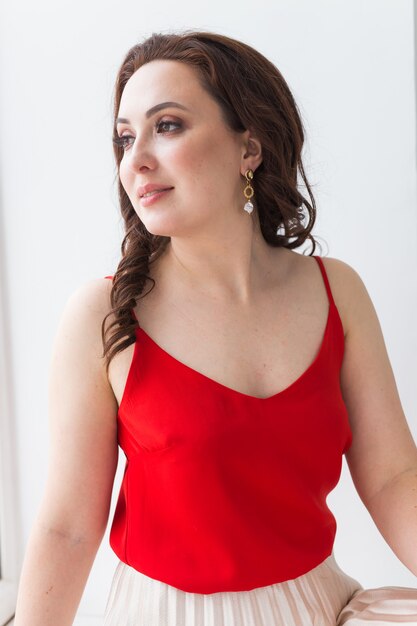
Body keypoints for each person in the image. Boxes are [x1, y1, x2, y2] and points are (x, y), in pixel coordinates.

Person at [13, 30, 417, 626]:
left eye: (167, 125)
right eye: (124, 139)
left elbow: (392, 476)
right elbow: (69, 529)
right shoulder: (104, 315)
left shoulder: (338, 291)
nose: (136, 158)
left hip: (320, 608)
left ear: (249, 147)